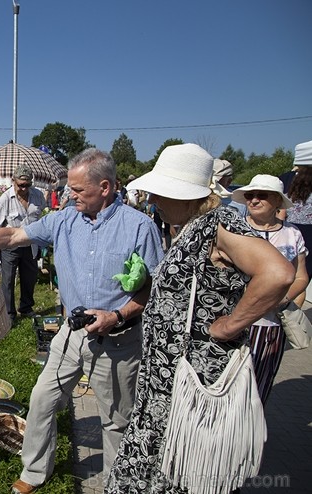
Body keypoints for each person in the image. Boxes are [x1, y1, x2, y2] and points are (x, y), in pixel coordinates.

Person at [0, 149, 164, 494]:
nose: (70, 196)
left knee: (116, 421)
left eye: (78, 190)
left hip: (117, 340)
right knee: (43, 400)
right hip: (70, 337)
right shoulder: (64, 220)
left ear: (105, 188)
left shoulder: (139, 227)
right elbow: (13, 236)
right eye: (70, 189)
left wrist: (117, 315)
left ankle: (119, 484)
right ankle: (34, 472)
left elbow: (157, 291)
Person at [106, 144, 295, 493]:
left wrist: (231, 324)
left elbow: (278, 273)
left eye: (162, 192)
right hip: (165, 382)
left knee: (179, 474)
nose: (153, 199)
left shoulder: (219, 225)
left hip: (191, 380)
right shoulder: (190, 226)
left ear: (188, 195)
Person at [231, 175, 308, 404]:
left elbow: (301, 276)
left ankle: (249, 438)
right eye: (249, 195)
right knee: (230, 389)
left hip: (270, 327)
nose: (254, 200)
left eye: (261, 195)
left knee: (258, 391)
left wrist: (282, 300)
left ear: (276, 201)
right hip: (234, 322)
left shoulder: (292, 234)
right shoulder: (233, 231)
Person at [0, 165, 47, 321]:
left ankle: (26, 307)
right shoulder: (5, 199)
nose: (24, 188)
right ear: (13, 181)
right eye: (21, 185)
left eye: (27, 185)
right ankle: (8, 313)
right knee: (7, 280)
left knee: (29, 278)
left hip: (31, 245)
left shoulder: (38, 196)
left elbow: (42, 216)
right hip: (10, 245)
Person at [284, 139, 312, 281]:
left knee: (294, 274)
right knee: (304, 275)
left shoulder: (286, 180)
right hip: (306, 232)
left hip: (289, 232)